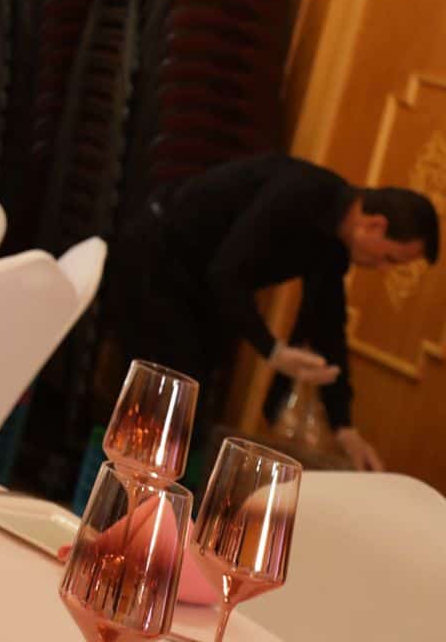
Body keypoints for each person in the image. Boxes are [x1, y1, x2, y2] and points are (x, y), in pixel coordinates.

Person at [109, 154, 439, 472]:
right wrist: (272, 350)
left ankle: (152, 513)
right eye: (390, 259)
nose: (382, 268)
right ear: (374, 225)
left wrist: (344, 427)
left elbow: (328, 326)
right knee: (161, 405)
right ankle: (121, 505)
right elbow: (227, 272)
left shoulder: (335, 244)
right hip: (154, 262)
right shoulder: (301, 193)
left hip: (196, 287)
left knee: (188, 415)